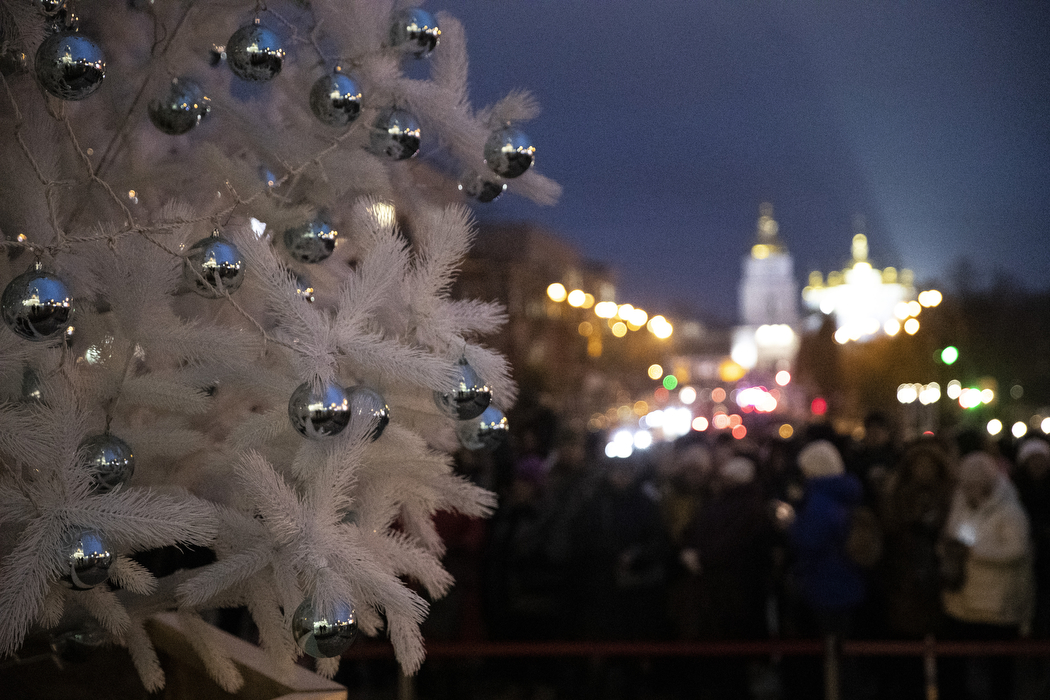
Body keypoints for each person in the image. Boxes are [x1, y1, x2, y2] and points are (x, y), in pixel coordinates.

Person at [939, 452, 1034, 700]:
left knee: (999, 671)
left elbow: (1017, 550)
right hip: (964, 602)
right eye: (967, 485)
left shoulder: (1009, 511)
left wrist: (975, 552)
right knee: (957, 667)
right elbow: (961, 536)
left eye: (976, 484)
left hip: (997, 606)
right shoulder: (964, 506)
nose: (971, 490)